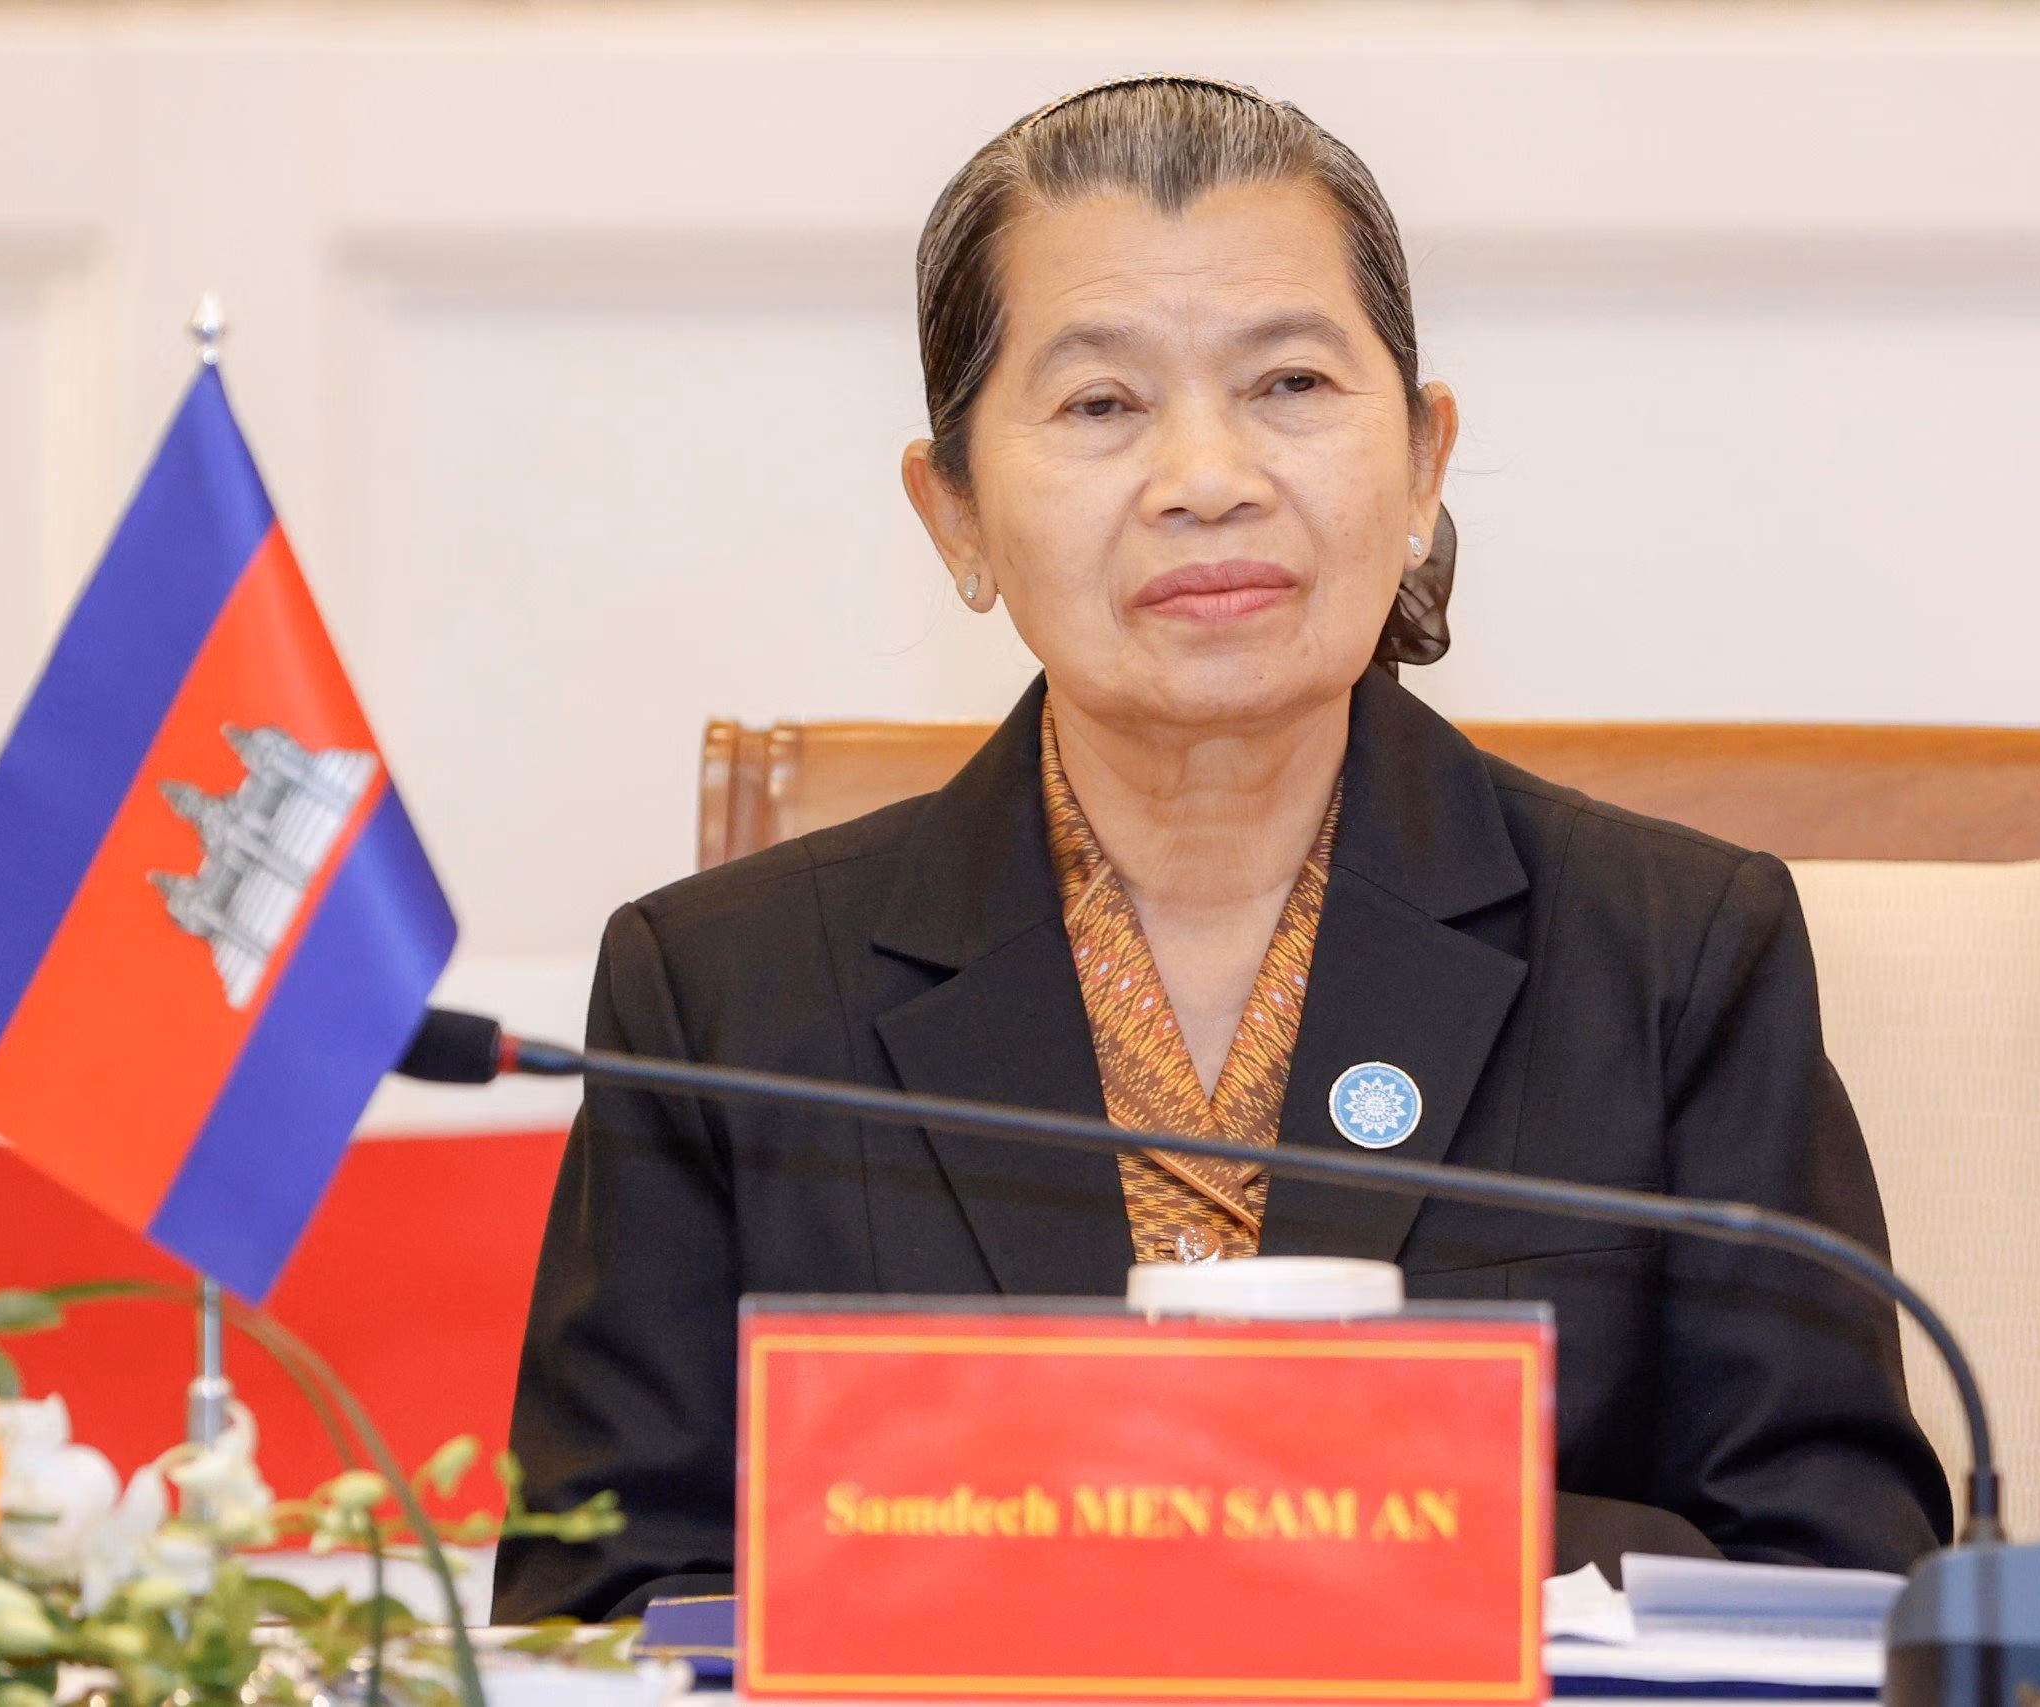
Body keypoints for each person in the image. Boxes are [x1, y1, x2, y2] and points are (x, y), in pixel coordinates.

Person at [493, 74, 1950, 1623]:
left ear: (1424, 463)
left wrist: (1316, 1537)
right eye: (1101, 404)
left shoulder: (1674, 954)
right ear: (955, 515)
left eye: (1290, 383)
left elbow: (1833, 1571)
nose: (1208, 477)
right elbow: (598, 1597)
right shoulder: (722, 996)